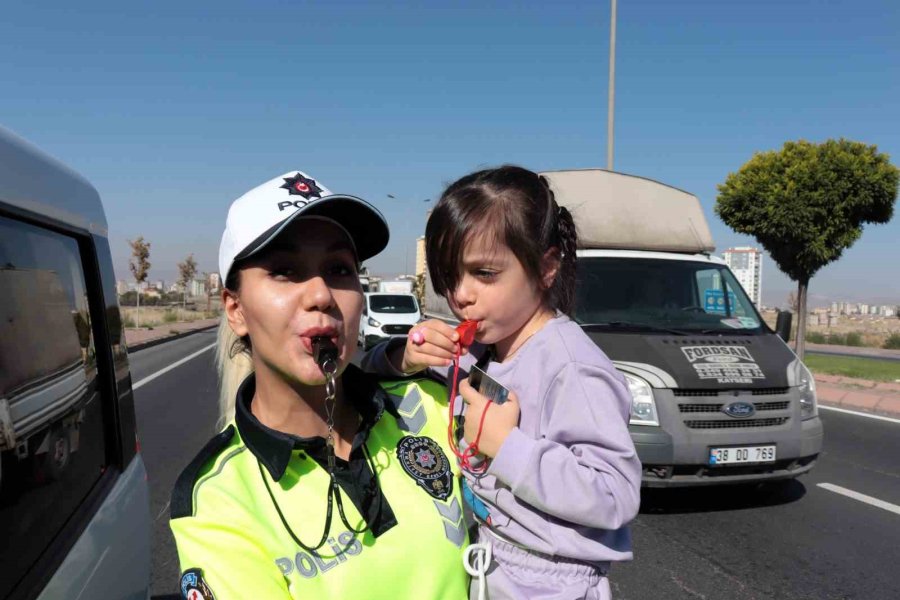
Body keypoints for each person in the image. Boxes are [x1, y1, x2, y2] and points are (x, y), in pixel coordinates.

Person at [169, 171, 470, 600]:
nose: (321, 295)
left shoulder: (433, 403)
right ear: (235, 309)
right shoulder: (219, 499)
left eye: (338, 269)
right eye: (285, 272)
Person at [362, 166, 642, 600]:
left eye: (485, 274)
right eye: (450, 276)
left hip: (550, 580)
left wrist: (507, 446)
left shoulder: (570, 367)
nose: (462, 295)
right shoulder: (479, 348)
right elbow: (371, 367)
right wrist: (405, 355)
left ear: (546, 267)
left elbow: (614, 493)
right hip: (488, 558)